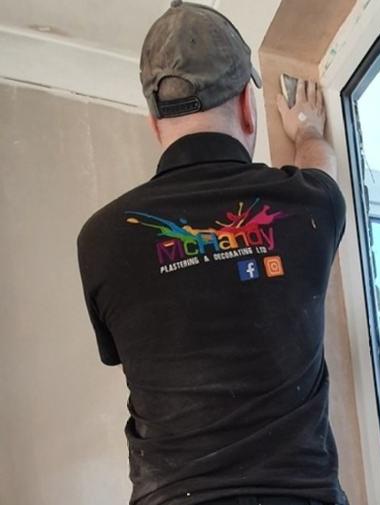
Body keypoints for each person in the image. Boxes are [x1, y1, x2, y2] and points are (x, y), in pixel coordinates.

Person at [76, 1, 348, 505]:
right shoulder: (309, 203)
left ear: (154, 121)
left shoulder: (101, 238)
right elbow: (322, 164)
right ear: (247, 104)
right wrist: (308, 129)